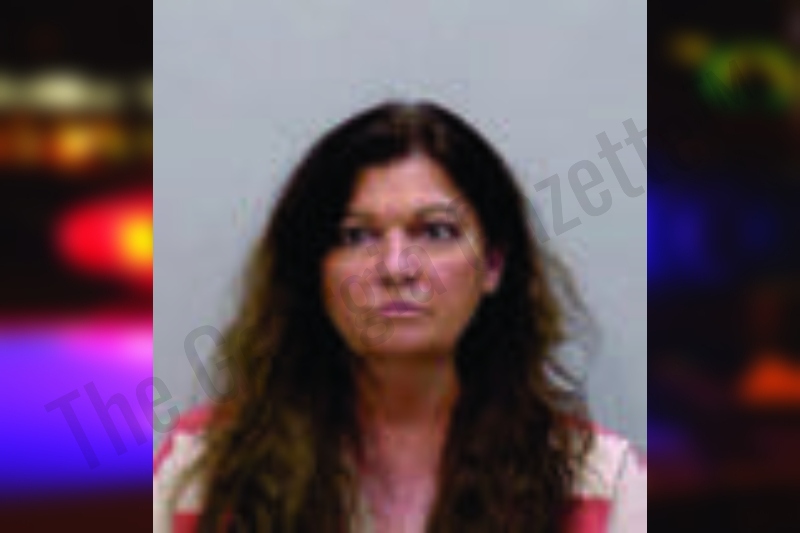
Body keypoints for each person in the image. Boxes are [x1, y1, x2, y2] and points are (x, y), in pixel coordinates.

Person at [153, 101, 646, 532]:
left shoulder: (603, 483)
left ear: (493, 264)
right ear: (312, 271)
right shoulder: (203, 469)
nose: (396, 268)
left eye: (435, 232)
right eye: (356, 237)